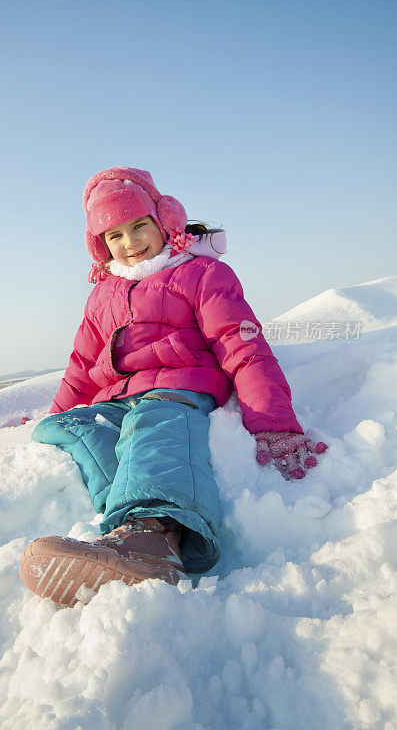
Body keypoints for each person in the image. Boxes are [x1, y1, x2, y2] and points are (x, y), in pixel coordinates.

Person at [19, 166, 327, 607]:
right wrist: (58, 412)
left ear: (162, 221)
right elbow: (82, 364)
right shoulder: (101, 294)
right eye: (115, 236)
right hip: (120, 396)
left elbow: (243, 347)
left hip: (180, 387)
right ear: (100, 245)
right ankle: (130, 536)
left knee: (153, 420)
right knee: (70, 428)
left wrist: (274, 422)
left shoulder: (202, 275)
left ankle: (155, 531)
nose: (131, 242)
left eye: (139, 225)